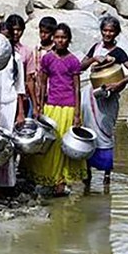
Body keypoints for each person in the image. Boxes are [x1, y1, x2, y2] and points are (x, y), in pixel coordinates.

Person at [22, 23, 87, 196]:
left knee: (63, 146)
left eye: (63, 37)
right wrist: (38, 107)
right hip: (50, 106)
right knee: (50, 144)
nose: (60, 40)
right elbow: (42, 83)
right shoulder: (47, 58)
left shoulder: (73, 61)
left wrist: (77, 114)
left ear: (69, 40)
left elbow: (77, 89)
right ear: (53, 38)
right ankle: (48, 178)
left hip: (68, 107)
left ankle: (61, 181)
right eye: (57, 37)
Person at [81, 16, 128, 187]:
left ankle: (107, 176)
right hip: (91, 96)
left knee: (105, 133)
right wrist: (93, 59)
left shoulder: (119, 52)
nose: (107, 33)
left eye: (111, 31)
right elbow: (80, 66)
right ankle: (88, 174)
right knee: (88, 132)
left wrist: (120, 83)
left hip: (108, 99)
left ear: (116, 33)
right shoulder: (96, 48)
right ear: (101, 31)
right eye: (105, 30)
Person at [0, 21, 26, 190]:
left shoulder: (16, 58)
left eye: (7, 37)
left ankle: (6, 184)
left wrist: (20, 112)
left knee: (7, 144)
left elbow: (20, 87)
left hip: (9, 104)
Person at [6, 14, 38, 117]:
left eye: (19, 30)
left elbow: (29, 79)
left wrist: (35, 105)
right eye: (13, 29)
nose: (16, 33)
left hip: (20, 98)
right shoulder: (0, 50)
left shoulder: (26, 52)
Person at [34, 16, 58, 113]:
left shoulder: (56, 51)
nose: (43, 35)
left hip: (52, 91)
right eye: (41, 32)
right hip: (38, 90)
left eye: (46, 33)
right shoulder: (37, 49)